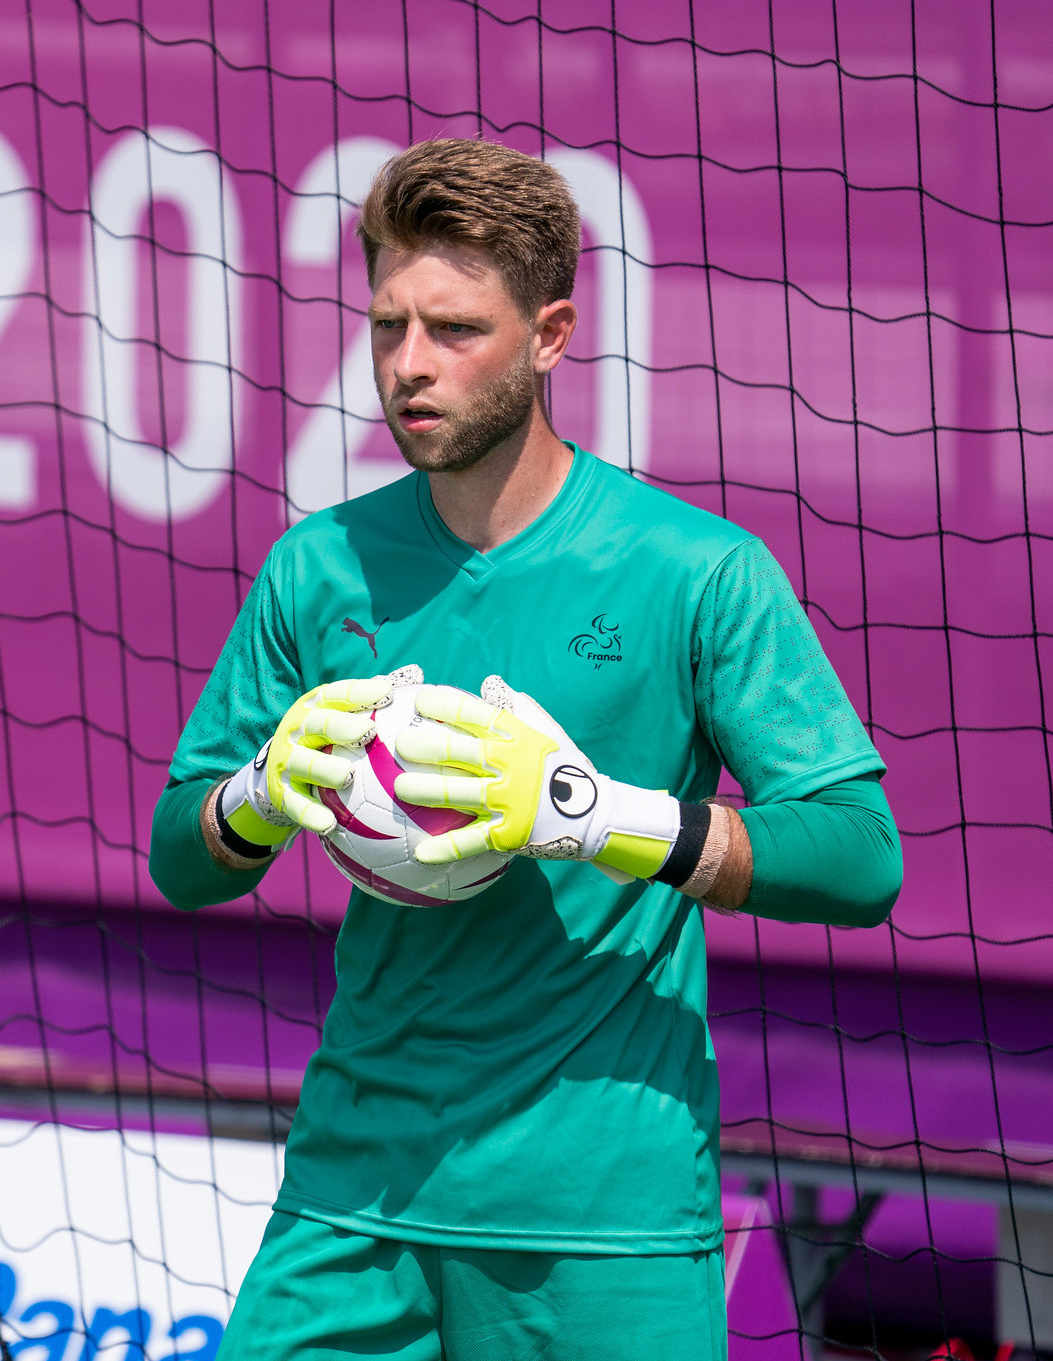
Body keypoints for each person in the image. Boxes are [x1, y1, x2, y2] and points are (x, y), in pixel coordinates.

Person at [150, 138, 902, 1361]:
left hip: (600, 1226)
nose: (406, 366)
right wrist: (253, 794)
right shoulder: (319, 562)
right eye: (387, 324)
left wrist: (591, 813)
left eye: (453, 329)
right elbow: (182, 855)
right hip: (357, 1198)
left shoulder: (693, 571)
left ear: (549, 335)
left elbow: (860, 858)